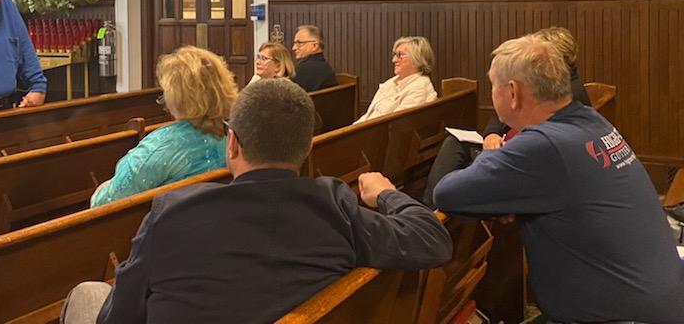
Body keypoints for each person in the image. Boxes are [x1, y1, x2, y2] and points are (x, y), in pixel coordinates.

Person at [62, 78, 452, 324]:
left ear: (233, 144)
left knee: (86, 295)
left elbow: (120, 317)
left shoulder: (174, 212)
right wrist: (385, 193)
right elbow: (432, 240)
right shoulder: (334, 205)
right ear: (305, 149)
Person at [434, 34, 684, 323]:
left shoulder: (543, 146)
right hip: (657, 300)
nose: (492, 94)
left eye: (493, 85)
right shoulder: (592, 121)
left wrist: (492, 157)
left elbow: (446, 193)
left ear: (513, 92)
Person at [423, 26, 589, 207]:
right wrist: (492, 133)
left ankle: (428, 216)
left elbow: (445, 192)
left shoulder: (564, 102)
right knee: (455, 144)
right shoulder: (578, 109)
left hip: (512, 160)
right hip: (511, 157)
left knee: (453, 164)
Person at [90, 46, 236, 207]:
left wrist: (100, 191)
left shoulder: (161, 146)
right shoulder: (232, 138)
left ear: (177, 96)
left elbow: (105, 204)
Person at [355, 36, 437, 123]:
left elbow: (396, 125)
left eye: (400, 55)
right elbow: (369, 115)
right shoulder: (391, 82)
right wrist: (352, 128)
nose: (393, 60)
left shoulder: (420, 87)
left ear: (417, 59)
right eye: (394, 55)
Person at [291, 24, 338, 91]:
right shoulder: (324, 65)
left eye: (299, 43)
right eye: (294, 43)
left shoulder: (305, 68)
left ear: (315, 46)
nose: (294, 48)